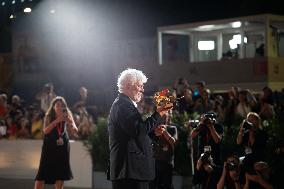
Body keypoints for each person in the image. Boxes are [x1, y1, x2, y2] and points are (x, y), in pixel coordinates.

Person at [108, 68, 170, 189]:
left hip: (132, 172)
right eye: (139, 85)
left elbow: (133, 133)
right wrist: (158, 113)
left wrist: (152, 134)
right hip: (129, 172)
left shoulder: (125, 104)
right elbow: (138, 131)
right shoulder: (122, 105)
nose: (142, 89)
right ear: (128, 86)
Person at [34, 96, 78, 189]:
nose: (59, 107)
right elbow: (45, 131)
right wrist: (57, 121)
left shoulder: (67, 114)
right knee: (42, 172)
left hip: (62, 146)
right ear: (53, 106)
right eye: (57, 105)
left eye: (62, 105)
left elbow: (75, 130)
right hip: (49, 146)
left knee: (60, 173)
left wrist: (71, 123)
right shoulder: (49, 115)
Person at [149, 111, 178, 189]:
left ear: (168, 118)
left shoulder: (172, 129)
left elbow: (173, 142)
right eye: (161, 118)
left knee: (167, 185)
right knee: (153, 185)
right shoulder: (153, 130)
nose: (162, 120)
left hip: (167, 162)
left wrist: (165, 132)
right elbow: (147, 142)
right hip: (154, 162)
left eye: (165, 118)